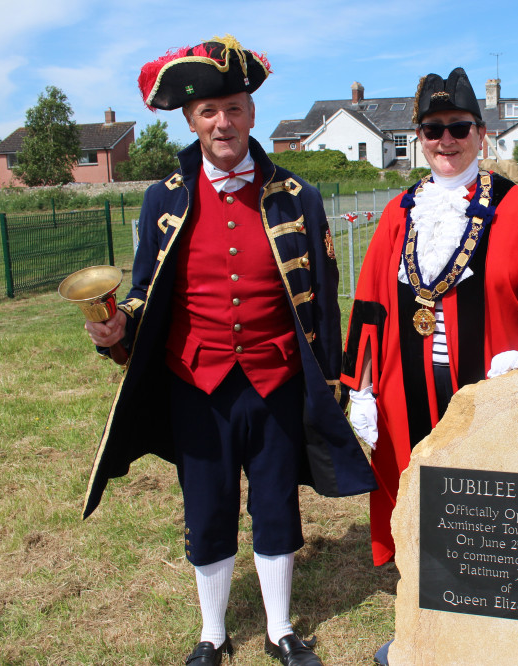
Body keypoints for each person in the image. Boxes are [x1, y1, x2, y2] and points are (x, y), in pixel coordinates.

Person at [82, 36, 376, 666]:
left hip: (275, 380)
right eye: (210, 112)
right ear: (191, 119)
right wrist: (117, 328)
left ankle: (280, 630)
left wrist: (333, 387)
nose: (223, 123)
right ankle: (212, 634)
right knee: (207, 507)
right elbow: (144, 289)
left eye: (235, 108)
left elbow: (323, 302)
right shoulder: (164, 195)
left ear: (252, 113)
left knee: (276, 506)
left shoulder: (300, 196)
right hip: (196, 381)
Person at [339, 67, 518, 569]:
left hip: (485, 387)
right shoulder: (398, 212)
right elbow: (369, 304)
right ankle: (427, 588)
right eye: (433, 129)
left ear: (481, 133)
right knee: (417, 491)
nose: (445, 140)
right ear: (420, 139)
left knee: (487, 503)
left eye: (459, 127)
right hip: (405, 389)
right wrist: (356, 385)